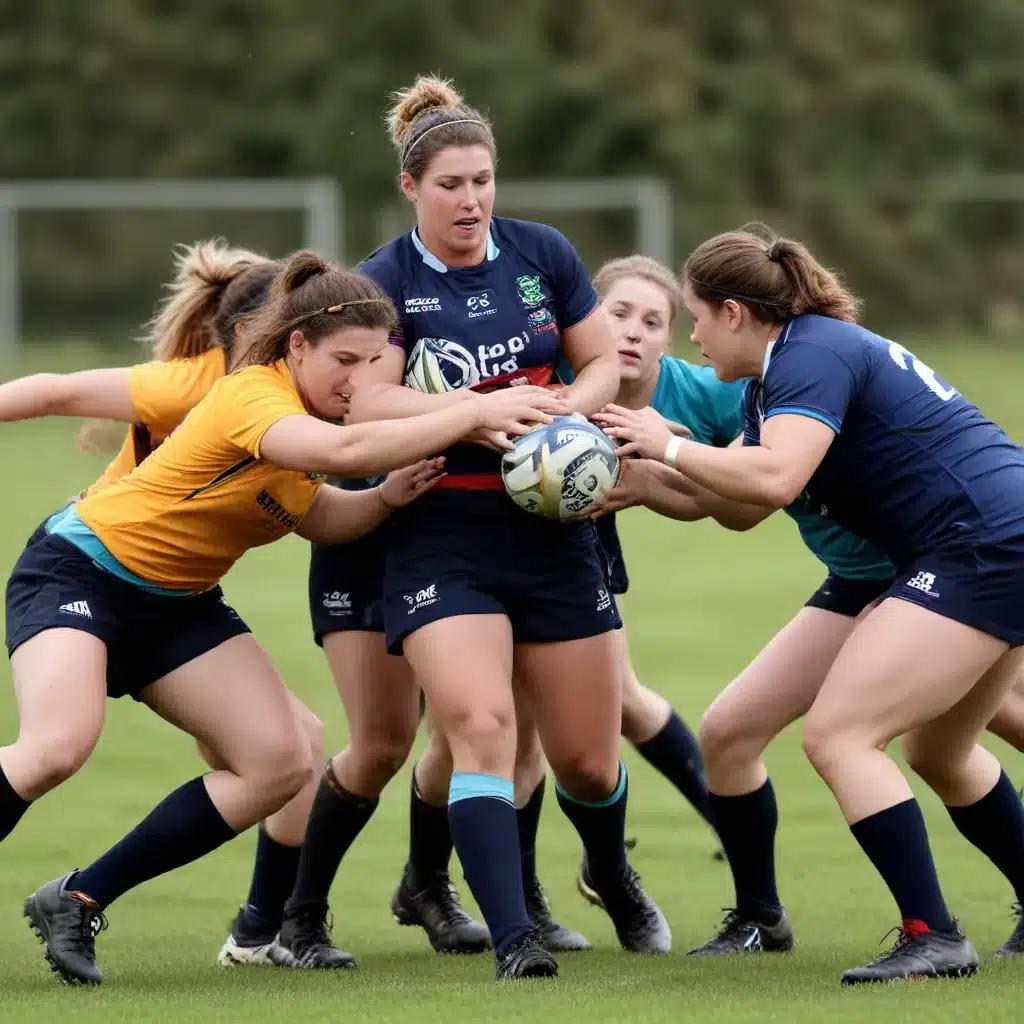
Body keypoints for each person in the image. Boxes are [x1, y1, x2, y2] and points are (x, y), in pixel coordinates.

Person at [5, 251, 564, 986]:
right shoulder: (252, 397)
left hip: (178, 604)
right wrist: (475, 408)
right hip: (81, 571)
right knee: (56, 746)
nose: (361, 380)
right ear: (295, 345)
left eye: (375, 361)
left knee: (284, 759)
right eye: (343, 360)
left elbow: (319, 513)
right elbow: (344, 449)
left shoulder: (312, 413)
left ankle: (78, 898)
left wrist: (389, 497)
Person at [598, 225, 1024, 983]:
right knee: (922, 750)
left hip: (980, 547)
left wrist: (663, 445)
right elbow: (735, 495)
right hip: (962, 548)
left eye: (694, 315)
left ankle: (934, 935)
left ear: (734, 312)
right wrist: (642, 477)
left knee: (842, 736)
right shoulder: (779, 375)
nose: (691, 335)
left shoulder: (811, 352)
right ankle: (763, 917)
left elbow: (773, 481)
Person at [343, 74, 670, 980]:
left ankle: (609, 869)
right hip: (443, 537)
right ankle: (516, 935)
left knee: (588, 764)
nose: (472, 200)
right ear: (412, 188)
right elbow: (367, 397)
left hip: (556, 536)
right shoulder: (385, 279)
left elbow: (601, 356)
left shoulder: (540, 255)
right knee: (481, 725)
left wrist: (568, 409)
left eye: (483, 180)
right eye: (451, 184)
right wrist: (473, 418)